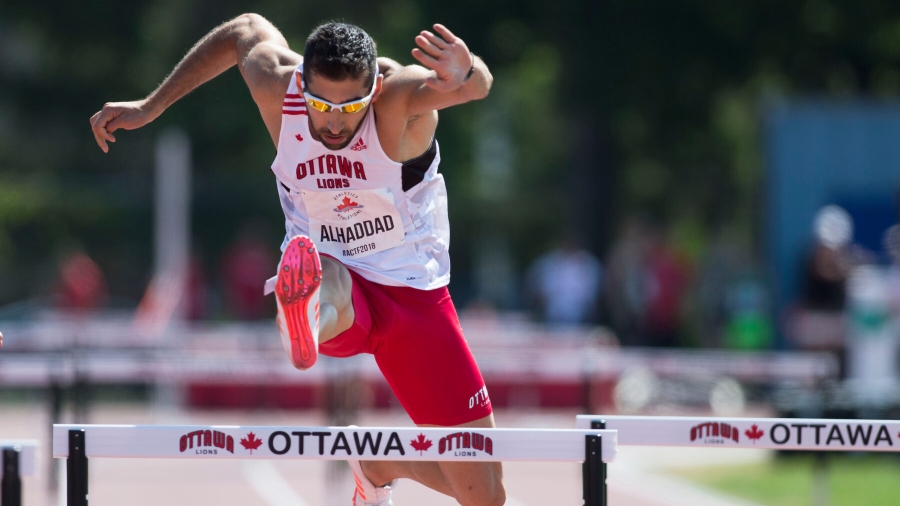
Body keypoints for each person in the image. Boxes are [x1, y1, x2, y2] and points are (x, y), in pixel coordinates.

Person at [89, 14, 502, 506]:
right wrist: (150, 106)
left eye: (349, 107)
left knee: (486, 497)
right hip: (333, 277)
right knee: (324, 269)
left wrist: (467, 69)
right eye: (320, 103)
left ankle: (378, 462)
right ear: (301, 82)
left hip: (413, 294)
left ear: (372, 92)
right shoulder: (276, 84)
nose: (332, 120)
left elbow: (473, 88)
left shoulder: (399, 98)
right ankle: (307, 316)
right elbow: (243, 29)